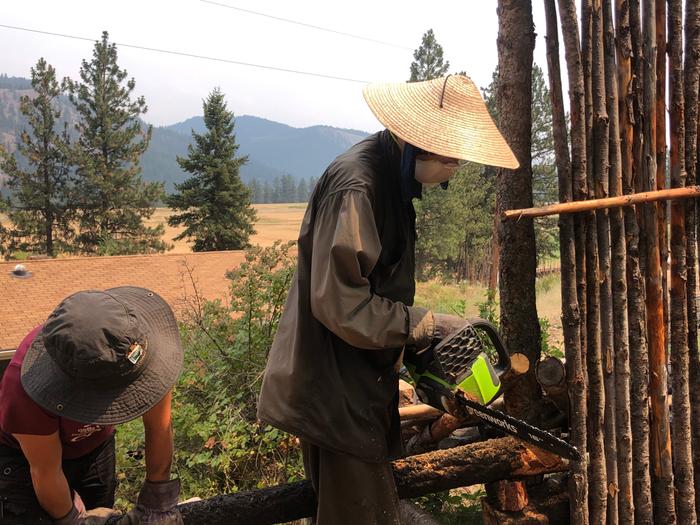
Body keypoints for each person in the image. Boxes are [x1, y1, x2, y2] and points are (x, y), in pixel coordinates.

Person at [257, 74, 519, 524]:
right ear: (418, 142)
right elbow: (342, 304)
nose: (454, 167)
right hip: (333, 394)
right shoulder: (358, 186)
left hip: (355, 386)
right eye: (451, 156)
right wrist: (427, 325)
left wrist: (417, 348)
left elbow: (378, 288)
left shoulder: (391, 180)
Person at [0, 287, 184, 525]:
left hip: (94, 446)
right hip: (25, 459)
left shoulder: (148, 349)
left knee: (102, 510)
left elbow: (159, 427)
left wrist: (158, 504)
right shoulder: (23, 389)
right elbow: (45, 471)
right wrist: (72, 519)